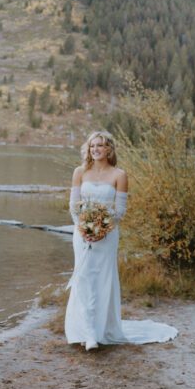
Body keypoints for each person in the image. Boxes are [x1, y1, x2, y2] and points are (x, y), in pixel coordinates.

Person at [65, 130, 177, 349]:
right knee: (84, 278)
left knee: (102, 279)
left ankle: (99, 331)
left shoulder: (119, 175)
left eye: (100, 146)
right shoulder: (80, 172)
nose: (95, 149)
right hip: (81, 234)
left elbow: (120, 211)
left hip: (107, 235)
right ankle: (85, 332)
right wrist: (84, 228)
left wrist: (101, 228)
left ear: (109, 149)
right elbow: (73, 206)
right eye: (92, 146)